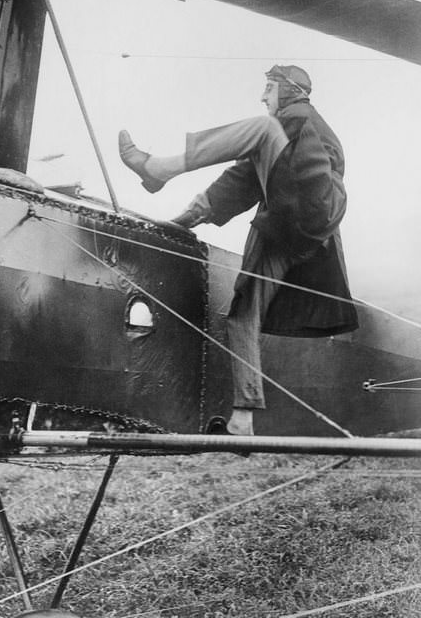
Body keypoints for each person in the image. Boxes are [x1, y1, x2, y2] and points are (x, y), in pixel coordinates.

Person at [118, 65, 358, 436]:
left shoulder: (300, 116)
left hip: (309, 209)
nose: (263, 97)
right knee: (242, 314)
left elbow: (250, 174)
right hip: (287, 225)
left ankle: (158, 168)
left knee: (262, 129)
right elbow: (246, 179)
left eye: (268, 88)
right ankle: (243, 417)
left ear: (290, 91)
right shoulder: (282, 138)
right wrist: (188, 218)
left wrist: (188, 204)